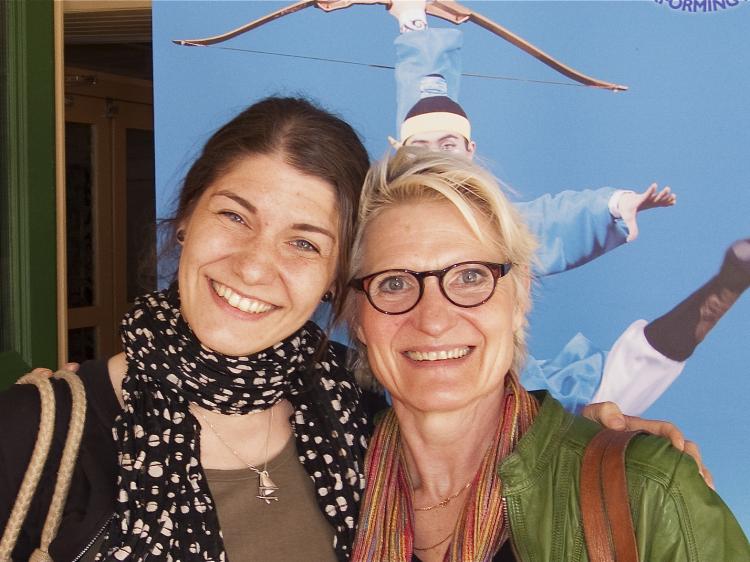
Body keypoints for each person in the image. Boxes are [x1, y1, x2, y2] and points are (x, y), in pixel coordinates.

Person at [0, 96, 372, 562]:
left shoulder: (357, 404)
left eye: (303, 243)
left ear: (333, 278)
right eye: (235, 216)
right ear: (186, 219)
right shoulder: (31, 430)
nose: (254, 268)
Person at [346, 148, 749, 561]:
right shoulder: (326, 478)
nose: (432, 319)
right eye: (393, 283)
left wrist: (639, 470)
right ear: (356, 316)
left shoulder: (646, 490)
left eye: (470, 277)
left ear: (519, 296)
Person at [386, 3, 750, 414]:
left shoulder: (491, 225)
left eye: (450, 146)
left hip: (487, 377)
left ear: (470, 151)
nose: (437, 159)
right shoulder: (378, 224)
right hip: (407, 372)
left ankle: (715, 296)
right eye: (419, 149)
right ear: (399, 152)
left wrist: (615, 205)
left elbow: (548, 220)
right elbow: (424, 100)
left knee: (598, 406)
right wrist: (412, 22)